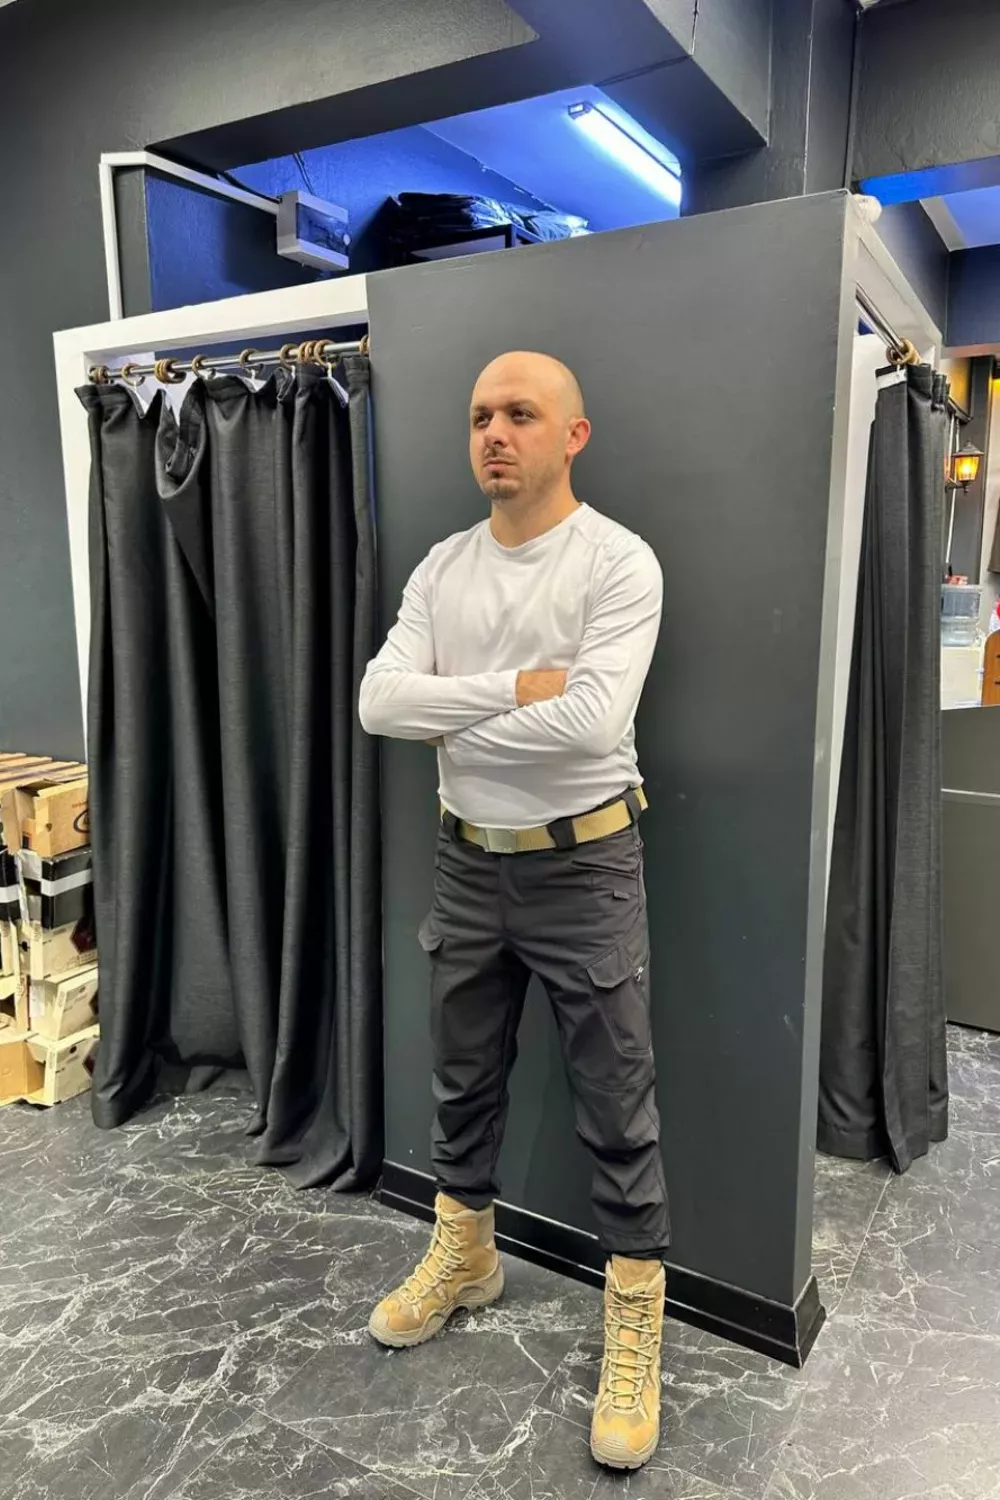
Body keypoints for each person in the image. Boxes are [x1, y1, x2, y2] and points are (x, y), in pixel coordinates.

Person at [358, 350, 669, 1472]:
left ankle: (634, 1317)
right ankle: (469, 1256)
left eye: (521, 414)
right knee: (462, 1076)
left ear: (571, 435)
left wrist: (445, 712)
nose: (495, 432)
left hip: (584, 866)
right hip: (467, 861)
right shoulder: (444, 567)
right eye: (481, 415)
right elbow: (376, 702)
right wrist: (511, 688)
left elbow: (591, 726)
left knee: (615, 1099)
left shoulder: (617, 562)